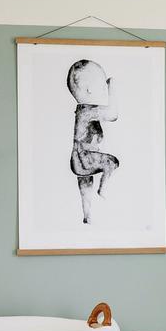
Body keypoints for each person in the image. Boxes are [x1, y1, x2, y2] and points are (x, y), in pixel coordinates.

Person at [67, 59, 120, 224]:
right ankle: (103, 189)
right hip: (85, 157)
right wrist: (113, 89)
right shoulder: (87, 110)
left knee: (85, 185)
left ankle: (87, 215)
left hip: (78, 159)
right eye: (102, 85)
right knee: (112, 162)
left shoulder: (82, 110)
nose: (104, 88)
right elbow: (113, 114)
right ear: (89, 90)